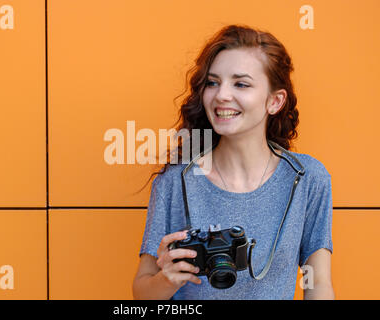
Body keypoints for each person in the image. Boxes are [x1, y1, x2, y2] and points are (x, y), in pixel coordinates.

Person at [132, 24, 334, 300]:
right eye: (213, 83)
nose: (221, 95)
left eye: (241, 84)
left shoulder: (306, 177)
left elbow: (318, 283)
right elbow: (142, 293)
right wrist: (166, 280)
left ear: (274, 101)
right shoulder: (174, 182)